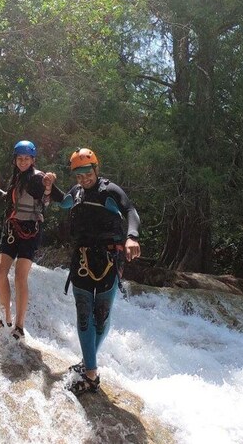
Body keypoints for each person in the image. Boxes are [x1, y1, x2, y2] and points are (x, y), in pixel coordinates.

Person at [50, 147, 141, 396]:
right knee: (83, 313)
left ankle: (87, 364)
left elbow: (130, 211)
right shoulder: (77, 192)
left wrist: (132, 237)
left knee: (100, 315)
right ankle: (91, 373)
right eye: (78, 175)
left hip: (110, 259)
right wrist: (51, 187)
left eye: (87, 173)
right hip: (82, 258)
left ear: (95, 169)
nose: (83, 179)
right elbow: (64, 203)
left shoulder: (109, 191)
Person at [0, 140, 64, 340]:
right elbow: (11, 199)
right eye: (19, 158)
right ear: (15, 159)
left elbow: (57, 196)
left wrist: (49, 186)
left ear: (33, 160)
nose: (23, 161)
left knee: (20, 277)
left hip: (30, 231)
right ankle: (5, 318)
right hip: (12, 229)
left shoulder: (38, 178)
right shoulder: (16, 178)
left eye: (26, 158)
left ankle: (19, 326)